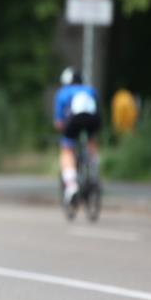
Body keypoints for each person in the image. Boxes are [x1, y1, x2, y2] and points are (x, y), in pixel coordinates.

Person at [53, 67, 101, 206]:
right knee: (91, 140)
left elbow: (59, 122)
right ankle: (93, 169)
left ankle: (71, 185)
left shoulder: (63, 92)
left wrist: (63, 129)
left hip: (75, 119)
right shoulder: (91, 90)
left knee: (67, 149)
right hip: (93, 119)